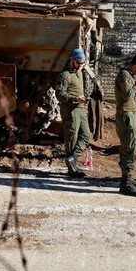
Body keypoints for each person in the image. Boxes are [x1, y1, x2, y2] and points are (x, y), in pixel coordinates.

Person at [115, 55, 136, 197]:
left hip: (131, 115)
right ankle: (125, 183)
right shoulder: (124, 75)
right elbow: (128, 94)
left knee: (132, 146)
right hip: (125, 118)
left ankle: (128, 178)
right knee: (129, 148)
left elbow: (133, 97)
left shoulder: (130, 76)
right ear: (135, 66)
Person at [56, 48, 91, 178]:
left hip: (80, 109)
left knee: (86, 135)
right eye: (78, 63)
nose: (80, 65)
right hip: (70, 110)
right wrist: (74, 99)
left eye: (82, 63)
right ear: (72, 60)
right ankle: (72, 169)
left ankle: (72, 158)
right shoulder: (65, 75)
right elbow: (59, 94)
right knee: (71, 138)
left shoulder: (79, 72)